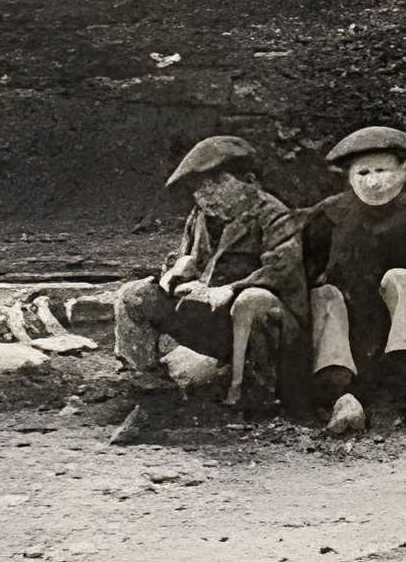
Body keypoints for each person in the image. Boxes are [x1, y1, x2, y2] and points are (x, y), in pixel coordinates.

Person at [115, 135, 307, 414]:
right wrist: (175, 273)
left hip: (265, 327)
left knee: (252, 300)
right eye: (199, 187)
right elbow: (184, 257)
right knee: (134, 295)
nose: (206, 196)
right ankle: (147, 382)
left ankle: (255, 392)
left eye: (217, 183)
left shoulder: (275, 215)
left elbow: (284, 270)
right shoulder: (201, 216)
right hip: (212, 320)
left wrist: (232, 288)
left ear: (249, 182)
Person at [302, 125, 406, 438]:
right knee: (325, 293)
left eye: (382, 171)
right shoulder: (329, 214)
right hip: (349, 327)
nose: (373, 182)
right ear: (348, 176)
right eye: (363, 173)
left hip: (403, 327)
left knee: (400, 278)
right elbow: (305, 273)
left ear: (405, 171)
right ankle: (341, 397)